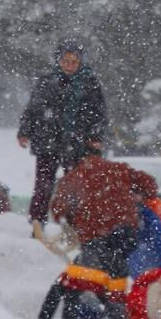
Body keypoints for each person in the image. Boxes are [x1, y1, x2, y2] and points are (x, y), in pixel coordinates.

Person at [19, 39, 107, 233]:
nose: (69, 65)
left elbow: (98, 114)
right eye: (65, 61)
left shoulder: (89, 84)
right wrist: (24, 132)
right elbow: (32, 110)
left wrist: (95, 137)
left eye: (73, 62)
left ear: (80, 63)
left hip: (77, 144)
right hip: (48, 141)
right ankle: (37, 223)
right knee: (43, 185)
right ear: (59, 61)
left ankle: (73, 227)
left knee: (74, 188)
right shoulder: (46, 82)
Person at [48, 150, 157, 278]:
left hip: (93, 234)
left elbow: (57, 211)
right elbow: (150, 185)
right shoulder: (119, 169)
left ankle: (99, 292)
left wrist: (71, 218)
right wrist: (136, 197)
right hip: (126, 231)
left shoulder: (72, 177)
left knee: (93, 273)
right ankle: (116, 291)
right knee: (116, 267)